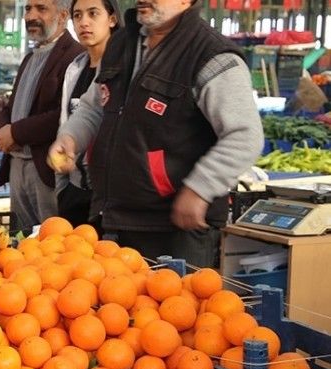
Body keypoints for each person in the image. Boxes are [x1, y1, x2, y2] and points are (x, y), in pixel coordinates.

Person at [48, 0, 263, 267]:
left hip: (175, 229)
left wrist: (200, 189)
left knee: (175, 306)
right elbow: (94, 106)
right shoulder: (121, 44)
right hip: (115, 217)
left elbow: (244, 135)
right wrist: (71, 137)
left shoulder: (211, 56)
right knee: (114, 305)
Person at [0, 0, 84, 236]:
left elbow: (62, 115)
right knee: (21, 238)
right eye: (27, 9)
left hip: (44, 166)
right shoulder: (30, 57)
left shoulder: (75, 57)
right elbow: (12, 105)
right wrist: (4, 127)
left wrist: (16, 132)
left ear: (63, 16)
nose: (31, 16)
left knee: (49, 239)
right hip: (17, 162)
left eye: (41, 9)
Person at [55, 0, 120, 227]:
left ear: (112, 19)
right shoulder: (75, 69)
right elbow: (65, 125)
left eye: (93, 14)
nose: (84, 22)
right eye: (78, 16)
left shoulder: (121, 70)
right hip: (74, 189)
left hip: (107, 194)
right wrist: (63, 189)